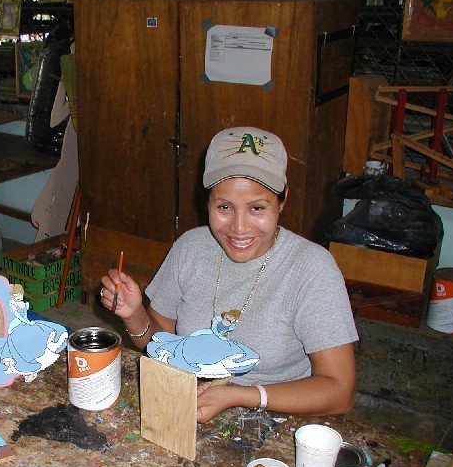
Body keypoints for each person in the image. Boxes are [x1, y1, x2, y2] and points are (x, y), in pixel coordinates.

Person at [100, 127, 358, 423]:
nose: (239, 227)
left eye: (257, 208)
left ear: (283, 200)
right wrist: (133, 315)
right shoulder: (191, 247)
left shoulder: (312, 269)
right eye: (224, 207)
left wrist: (238, 395)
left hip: (279, 418)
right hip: (191, 403)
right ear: (207, 201)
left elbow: (340, 392)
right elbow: (163, 347)